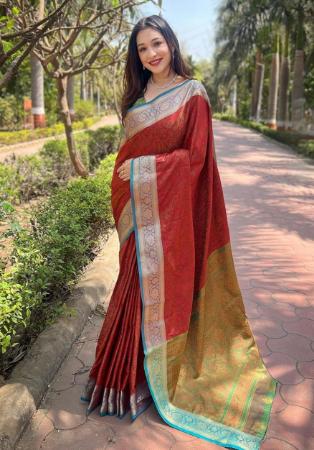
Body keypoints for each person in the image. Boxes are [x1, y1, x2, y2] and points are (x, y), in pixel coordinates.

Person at [81, 14, 277, 450]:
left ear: (170, 43)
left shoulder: (192, 94)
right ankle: (122, 376)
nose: (152, 54)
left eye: (157, 44)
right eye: (142, 48)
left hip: (171, 215)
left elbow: (197, 159)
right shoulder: (137, 98)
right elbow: (124, 156)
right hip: (138, 211)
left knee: (162, 291)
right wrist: (129, 175)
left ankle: (156, 375)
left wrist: (146, 171)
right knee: (132, 286)